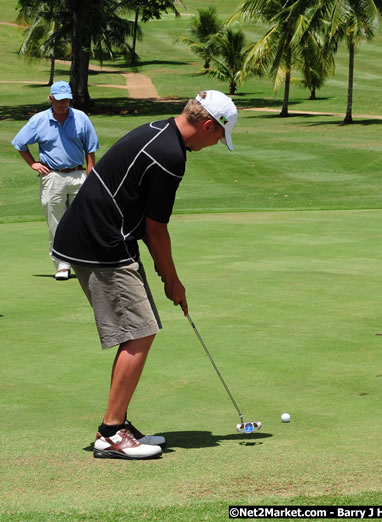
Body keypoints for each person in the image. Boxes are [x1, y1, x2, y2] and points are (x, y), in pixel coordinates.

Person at [52, 90, 238, 460]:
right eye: (219, 134)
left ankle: (118, 424)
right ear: (206, 125)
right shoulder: (170, 157)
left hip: (98, 236)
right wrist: (172, 279)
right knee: (139, 332)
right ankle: (110, 432)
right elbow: (156, 229)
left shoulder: (159, 130)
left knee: (140, 330)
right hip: (100, 243)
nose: (218, 142)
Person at [11, 80, 99, 280]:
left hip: (78, 174)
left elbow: (91, 148)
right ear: (51, 98)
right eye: (59, 100)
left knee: (83, 221)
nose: (63, 103)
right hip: (53, 177)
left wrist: (91, 174)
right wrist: (33, 163)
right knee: (56, 223)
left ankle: (84, 261)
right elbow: (19, 143)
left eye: (67, 99)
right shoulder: (39, 120)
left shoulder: (81, 118)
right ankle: (62, 265)